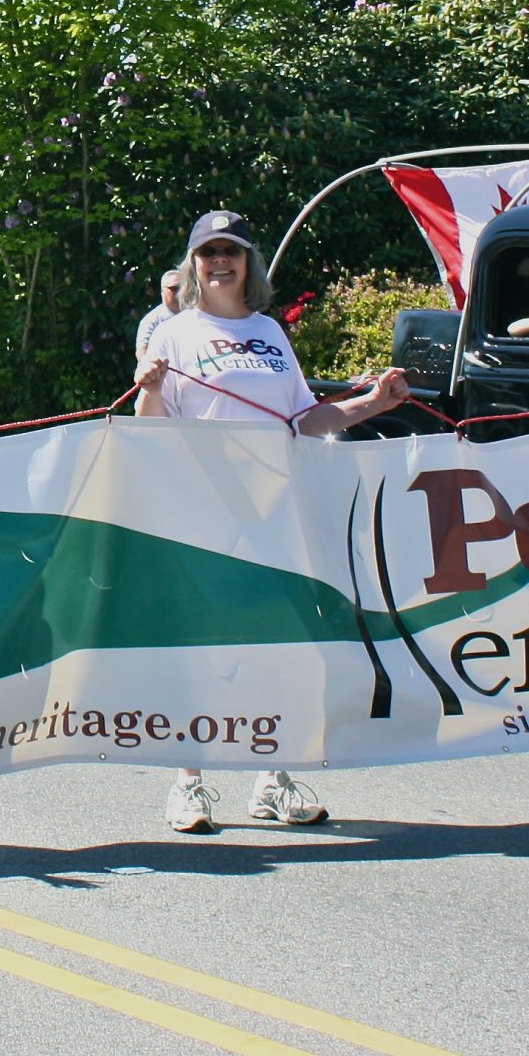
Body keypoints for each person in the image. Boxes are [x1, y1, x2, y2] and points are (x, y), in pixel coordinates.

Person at [136, 210, 411, 835]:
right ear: (193, 264)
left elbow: (304, 421)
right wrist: (150, 387)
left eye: (231, 251)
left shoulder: (269, 332)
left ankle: (272, 778)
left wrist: (372, 402)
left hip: (274, 511)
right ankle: (189, 782)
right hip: (204, 514)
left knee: (279, 649)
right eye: (208, 253)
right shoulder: (176, 334)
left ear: (249, 262)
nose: (220, 262)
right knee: (208, 650)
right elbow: (150, 432)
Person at [134, 268, 182, 362]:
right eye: (174, 289)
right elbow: (142, 351)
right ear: (162, 292)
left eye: (183, 288)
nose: (179, 292)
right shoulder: (151, 321)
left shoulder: (195, 313)